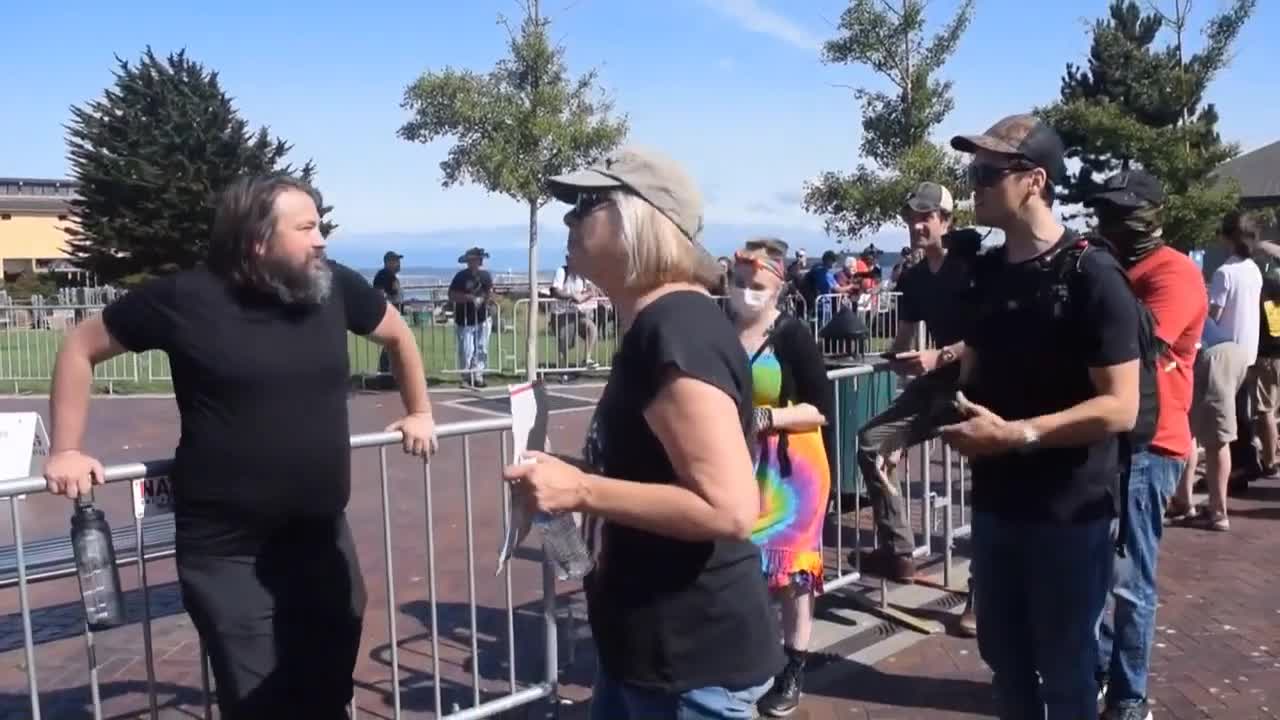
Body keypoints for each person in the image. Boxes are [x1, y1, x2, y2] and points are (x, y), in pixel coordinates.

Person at [42, 174, 438, 719]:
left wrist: (419, 411)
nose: (321, 239)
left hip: (320, 538)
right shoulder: (183, 298)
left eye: (319, 225)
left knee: (327, 687)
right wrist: (66, 448)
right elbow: (80, 347)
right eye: (306, 228)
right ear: (257, 240)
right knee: (261, 702)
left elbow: (398, 336)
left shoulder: (334, 286)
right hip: (228, 551)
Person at [503, 146, 783, 719]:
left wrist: (581, 492)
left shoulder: (674, 328)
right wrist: (571, 475)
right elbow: (657, 471)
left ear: (640, 218)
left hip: (690, 666)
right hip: (647, 654)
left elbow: (730, 509)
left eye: (586, 203)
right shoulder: (656, 326)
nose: (569, 219)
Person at [943, 114, 1141, 719]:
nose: (973, 185)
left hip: (1068, 514)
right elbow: (974, 364)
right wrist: (933, 387)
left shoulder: (1093, 276)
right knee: (1006, 663)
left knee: (1066, 669)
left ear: (1033, 180)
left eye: (986, 172)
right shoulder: (990, 272)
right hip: (998, 507)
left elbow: (1121, 405)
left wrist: (1018, 435)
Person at [1085, 169, 1207, 720]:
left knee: (1131, 582)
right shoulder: (1110, 267)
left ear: (1153, 216)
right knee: (1088, 572)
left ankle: (1131, 698)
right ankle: (1102, 671)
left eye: (1123, 214)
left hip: (1151, 446)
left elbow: (1133, 345)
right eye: (1105, 214)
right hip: (1105, 440)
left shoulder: (1174, 273)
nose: (1111, 225)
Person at [854, 182, 981, 634]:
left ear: (947, 221)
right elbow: (904, 341)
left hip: (982, 390)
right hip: (935, 388)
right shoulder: (911, 277)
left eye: (926, 217)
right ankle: (899, 550)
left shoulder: (973, 268)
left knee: (987, 491)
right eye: (911, 218)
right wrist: (884, 358)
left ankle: (979, 597)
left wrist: (941, 355)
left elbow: (991, 332)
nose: (917, 225)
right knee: (871, 442)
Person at [730, 237, 831, 717]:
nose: (745, 292)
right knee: (741, 567)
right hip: (736, 466)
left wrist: (768, 419)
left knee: (790, 573)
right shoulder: (720, 331)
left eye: (756, 285)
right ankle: (750, 659)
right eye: (739, 283)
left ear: (778, 287)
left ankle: (793, 667)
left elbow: (821, 407)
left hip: (793, 469)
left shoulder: (791, 335)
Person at [1170, 211, 1262, 531]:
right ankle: (1189, 499)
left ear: (1226, 238)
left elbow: (1212, 314)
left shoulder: (1224, 273)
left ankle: (1215, 509)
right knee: (1220, 427)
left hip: (1216, 355)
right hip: (1245, 354)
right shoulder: (1254, 270)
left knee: (1210, 437)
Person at [448, 247, 493, 388]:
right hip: (465, 319)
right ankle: (466, 376)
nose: (474, 262)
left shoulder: (486, 276)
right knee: (467, 349)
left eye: (476, 260)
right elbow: (451, 295)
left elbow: (489, 292)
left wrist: (483, 299)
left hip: (482, 317)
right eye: (471, 260)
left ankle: (478, 375)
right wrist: (468, 298)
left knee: (482, 348)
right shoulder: (460, 277)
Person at [549, 256, 601, 370]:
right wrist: (571, 296)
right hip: (560, 313)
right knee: (564, 341)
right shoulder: (562, 271)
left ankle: (586, 359)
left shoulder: (583, 274)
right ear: (567, 260)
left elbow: (593, 289)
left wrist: (584, 296)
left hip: (576, 313)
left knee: (591, 329)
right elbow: (555, 291)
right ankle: (563, 369)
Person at [372, 250, 404, 374]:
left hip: (392, 314)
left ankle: (388, 370)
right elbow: (380, 293)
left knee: (391, 344)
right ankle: (385, 371)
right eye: (396, 261)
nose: (399, 264)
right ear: (388, 262)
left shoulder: (389, 275)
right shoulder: (384, 275)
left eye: (398, 261)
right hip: (389, 315)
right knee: (391, 343)